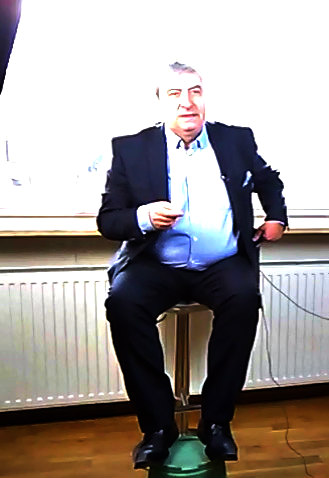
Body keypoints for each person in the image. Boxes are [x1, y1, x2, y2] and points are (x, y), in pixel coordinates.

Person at [97, 61, 287, 468]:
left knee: (244, 300)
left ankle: (216, 423)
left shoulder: (235, 139)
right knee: (123, 303)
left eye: (195, 91)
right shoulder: (130, 149)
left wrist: (276, 216)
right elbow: (109, 220)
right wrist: (144, 216)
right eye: (175, 94)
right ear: (160, 103)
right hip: (155, 263)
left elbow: (268, 179)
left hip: (221, 264)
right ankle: (157, 427)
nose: (187, 102)